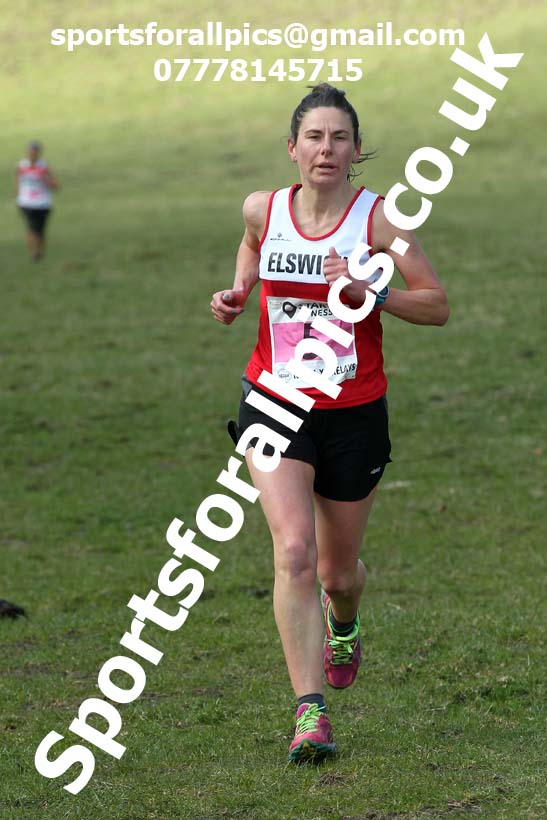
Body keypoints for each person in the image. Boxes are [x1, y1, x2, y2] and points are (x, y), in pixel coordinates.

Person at [211, 83, 449, 764]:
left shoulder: (380, 223)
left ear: (354, 150)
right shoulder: (264, 206)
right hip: (274, 400)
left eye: (338, 138)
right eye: (313, 138)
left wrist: (373, 289)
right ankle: (309, 713)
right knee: (293, 553)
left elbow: (436, 306)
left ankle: (342, 624)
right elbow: (252, 241)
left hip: (352, 412)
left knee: (338, 574)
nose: (325, 149)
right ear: (292, 148)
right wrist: (239, 291)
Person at [14, 140, 59, 261]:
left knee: (40, 230)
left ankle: (40, 252)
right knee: (32, 228)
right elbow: (18, 181)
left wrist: (46, 180)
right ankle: (33, 254)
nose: (32, 154)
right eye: (30, 152)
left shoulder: (43, 167)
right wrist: (18, 196)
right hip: (27, 203)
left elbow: (55, 185)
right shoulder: (22, 166)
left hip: (43, 203)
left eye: (35, 152)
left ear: (39, 153)